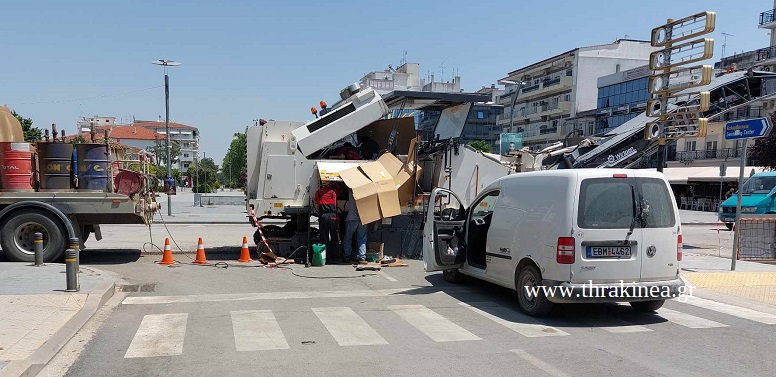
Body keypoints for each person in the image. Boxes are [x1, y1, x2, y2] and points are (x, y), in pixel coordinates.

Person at [314, 181, 340, 263]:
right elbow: (335, 204)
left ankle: (327, 257)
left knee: (324, 237)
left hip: (323, 216)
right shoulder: (333, 192)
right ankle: (335, 257)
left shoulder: (318, 192)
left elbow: (317, 202)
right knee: (334, 237)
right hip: (332, 216)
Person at [342, 191, 368, 264]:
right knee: (362, 239)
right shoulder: (365, 192)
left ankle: (347, 256)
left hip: (351, 218)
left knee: (348, 238)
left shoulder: (351, 190)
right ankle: (362, 257)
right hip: (363, 218)